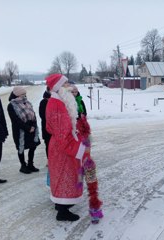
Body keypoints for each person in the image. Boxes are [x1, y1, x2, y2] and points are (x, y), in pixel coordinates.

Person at [45, 74, 102, 222]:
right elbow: (62, 133)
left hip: (61, 146)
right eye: (65, 85)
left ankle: (60, 205)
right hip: (63, 148)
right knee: (66, 176)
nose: (68, 87)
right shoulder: (56, 104)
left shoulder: (60, 101)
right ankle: (62, 211)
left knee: (62, 176)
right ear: (58, 88)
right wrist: (79, 149)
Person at [69, 84, 103, 224]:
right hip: (73, 142)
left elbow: (85, 118)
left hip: (84, 140)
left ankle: (94, 208)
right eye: (72, 91)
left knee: (89, 169)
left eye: (76, 90)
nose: (75, 92)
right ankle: (70, 198)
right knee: (75, 172)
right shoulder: (65, 106)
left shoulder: (80, 102)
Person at [7, 86, 40, 174]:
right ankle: (23, 166)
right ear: (17, 95)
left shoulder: (27, 102)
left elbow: (33, 114)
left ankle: (30, 164)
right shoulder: (11, 105)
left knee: (33, 146)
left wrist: (33, 125)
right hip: (20, 130)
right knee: (21, 148)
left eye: (25, 94)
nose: (24, 96)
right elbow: (15, 120)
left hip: (31, 128)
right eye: (22, 94)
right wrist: (27, 128)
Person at [38, 86, 51, 158]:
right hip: (47, 127)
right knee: (48, 143)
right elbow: (42, 115)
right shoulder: (43, 102)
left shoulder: (58, 99)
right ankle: (49, 159)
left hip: (57, 127)